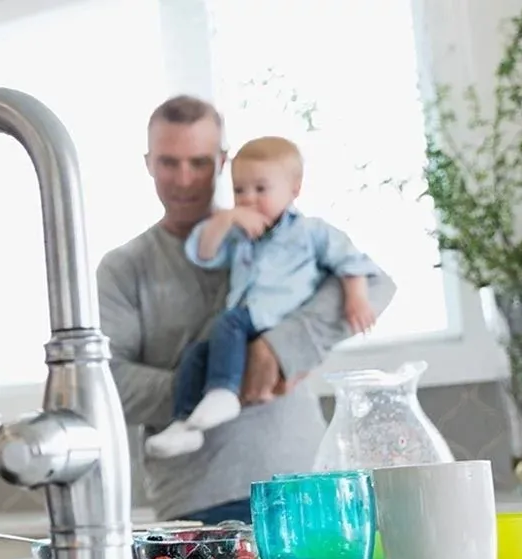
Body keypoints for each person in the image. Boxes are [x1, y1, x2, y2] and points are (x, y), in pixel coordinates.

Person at [97, 96, 396, 525]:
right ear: (147, 163)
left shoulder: (275, 231)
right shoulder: (123, 267)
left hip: (303, 475)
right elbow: (109, 384)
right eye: (168, 162)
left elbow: (373, 281)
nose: (184, 179)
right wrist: (225, 382)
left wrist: (280, 347)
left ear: (221, 162)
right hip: (197, 497)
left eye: (198, 162)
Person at [143, 136, 381, 458]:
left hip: (274, 316)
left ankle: (224, 392)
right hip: (246, 319)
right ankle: (186, 425)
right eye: (239, 190)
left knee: (225, 324)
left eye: (260, 189)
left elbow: (351, 262)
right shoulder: (242, 235)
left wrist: (356, 298)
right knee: (197, 354)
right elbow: (203, 251)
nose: (248, 199)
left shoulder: (311, 231)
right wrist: (226, 219)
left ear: (294, 189)